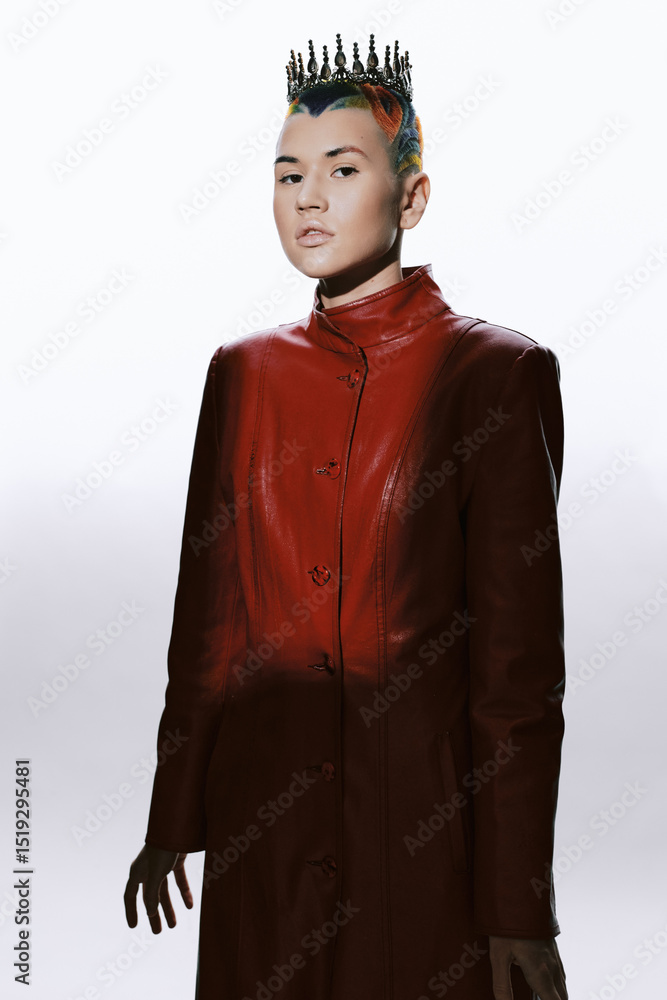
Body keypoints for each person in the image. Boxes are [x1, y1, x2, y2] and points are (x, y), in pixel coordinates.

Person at [124, 32, 569, 1000]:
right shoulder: (242, 374)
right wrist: (173, 817)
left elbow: (517, 676)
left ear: (411, 197)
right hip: (264, 838)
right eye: (288, 174)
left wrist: (517, 906)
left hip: (417, 841)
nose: (308, 198)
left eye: (342, 168)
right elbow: (207, 626)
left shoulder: (494, 375)